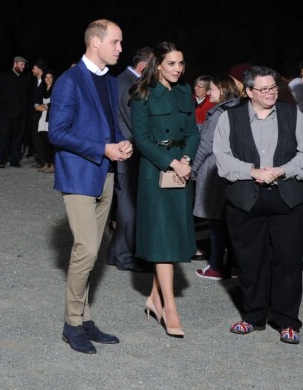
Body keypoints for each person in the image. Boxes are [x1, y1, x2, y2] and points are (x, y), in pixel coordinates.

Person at [48, 19, 133, 354]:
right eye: (115, 41)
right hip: (80, 176)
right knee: (87, 250)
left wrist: (121, 143)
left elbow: (110, 126)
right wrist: (102, 148)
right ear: (95, 42)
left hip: (105, 175)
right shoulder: (69, 81)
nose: (120, 48)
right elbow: (57, 133)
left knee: (92, 252)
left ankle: (85, 317)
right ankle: (72, 324)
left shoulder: (110, 83)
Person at [213, 65, 303, 345]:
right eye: (263, 89)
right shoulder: (230, 117)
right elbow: (222, 158)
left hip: (286, 196)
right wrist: (252, 171)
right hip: (245, 198)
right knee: (250, 262)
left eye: (273, 87)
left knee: (288, 261)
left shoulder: (293, 114)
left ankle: (287, 321)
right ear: (248, 91)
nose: (270, 93)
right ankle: (253, 317)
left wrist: (281, 170)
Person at [130, 41, 200, 338]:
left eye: (181, 63)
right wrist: (171, 162)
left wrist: (185, 159)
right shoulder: (141, 94)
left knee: (172, 231)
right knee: (161, 236)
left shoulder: (185, 93)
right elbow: (142, 140)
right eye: (171, 63)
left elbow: (194, 131)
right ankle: (170, 307)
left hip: (180, 171)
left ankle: (154, 299)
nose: (177, 69)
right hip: (155, 171)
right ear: (158, 64)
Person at [105, 46, 155, 272]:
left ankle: (116, 253)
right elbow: (136, 124)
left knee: (126, 204)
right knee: (129, 206)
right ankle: (125, 256)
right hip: (129, 152)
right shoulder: (129, 84)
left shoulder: (119, 79)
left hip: (124, 151)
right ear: (143, 67)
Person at [192, 74, 241, 280]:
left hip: (215, 169)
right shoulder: (238, 108)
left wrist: (194, 170)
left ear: (222, 91)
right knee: (230, 221)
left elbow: (206, 146)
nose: (208, 92)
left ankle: (215, 266)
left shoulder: (219, 112)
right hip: (233, 168)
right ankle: (234, 266)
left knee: (216, 222)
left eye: (211, 89)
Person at [0, 56, 32, 169]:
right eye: (21, 64)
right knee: (5, 137)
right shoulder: (4, 76)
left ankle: (15, 160)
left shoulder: (26, 79)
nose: (23, 67)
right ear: (15, 64)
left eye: (24, 65)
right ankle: (1, 160)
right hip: (6, 114)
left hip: (21, 114)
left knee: (17, 138)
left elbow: (29, 97)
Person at [35, 70, 55, 173]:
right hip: (42, 117)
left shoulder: (56, 89)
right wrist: (36, 106)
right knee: (43, 140)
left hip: (50, 118)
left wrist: (46, 106)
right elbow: (36, 101)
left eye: (50, 77)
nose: (48, 79)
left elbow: (57, 102)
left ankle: (51, 164)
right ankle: (46, 163)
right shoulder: (42, 89)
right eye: (46, 77)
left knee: (49, 142)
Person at [29, 59, 48, 168]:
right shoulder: (34, 82)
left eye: (34, 68)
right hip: (34, 114)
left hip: (43, 113)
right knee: (35, 137)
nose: (32, 70)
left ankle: (46, 161)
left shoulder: (46, 81)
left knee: (42, 137)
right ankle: (41, 160)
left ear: (40, 69)